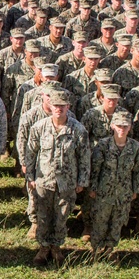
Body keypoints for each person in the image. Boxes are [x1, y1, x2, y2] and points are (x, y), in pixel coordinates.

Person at [25, 90, 91, 266]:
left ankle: (56, 247)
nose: (59, 109)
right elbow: (30, 153)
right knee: (43, 216)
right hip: (44, 180)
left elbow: (84, 156)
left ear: (68, 107)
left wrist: (82, 181)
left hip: (66, 183)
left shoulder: (78, 129)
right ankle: (43, 247)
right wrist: (30, 177)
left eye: (62, 106)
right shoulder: (39, 127)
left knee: (61, 216)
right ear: (50, 107)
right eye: (56, 106)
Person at [87, 111, 139, 260]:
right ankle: (96, 249)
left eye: (125, 126)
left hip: (123, 192)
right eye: (119, 125)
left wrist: (135, 189)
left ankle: (110, 249)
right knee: (100, 220)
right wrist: (92, 187)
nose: (122, 129)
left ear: (130, 127)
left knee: (117, 221)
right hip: (104, 191)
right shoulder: (103, 145)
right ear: (112, 126)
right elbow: (95, 168)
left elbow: (137, 170)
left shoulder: (136, 147)